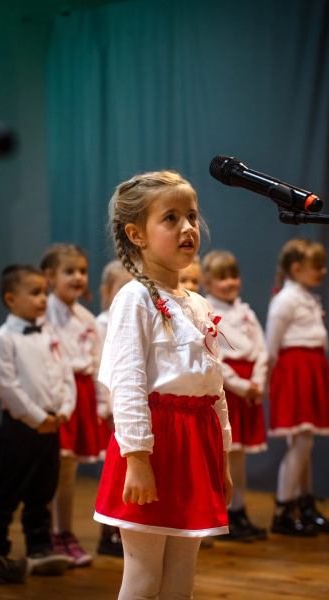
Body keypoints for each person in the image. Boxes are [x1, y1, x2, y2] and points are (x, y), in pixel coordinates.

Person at [94, 171, 232, 600]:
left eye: (191, 216)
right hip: (153, 446)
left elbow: (214, 387)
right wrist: (137, 458)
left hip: (196, 444)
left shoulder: (198, 302)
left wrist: (222, 455)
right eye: (170, 218)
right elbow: (128, 382)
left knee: (180, 577)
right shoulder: (134, 299)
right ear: (136, 234)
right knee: (143, 575)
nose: (187, 227)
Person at [0, 265, 75, 576]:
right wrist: (37, 418)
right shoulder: (3, 339)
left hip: (51, 425)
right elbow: (6, 386)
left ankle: (40, 546)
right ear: (11, 299)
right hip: (20, 429)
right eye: (35, 293)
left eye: (44, 292)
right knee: (8, 490)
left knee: (43, 489)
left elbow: (65, 374)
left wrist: (64, 408)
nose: (43, 299)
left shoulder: (49, 333)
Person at [41, 244, 112, 566]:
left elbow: (98, 365)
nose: (78, 277)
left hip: (82, 395)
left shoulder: (87, 318)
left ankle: (64, 532)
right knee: (51, 470)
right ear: (50, 276)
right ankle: (47, 535)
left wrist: (101, 403)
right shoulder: (43, 315)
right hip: (57, 397)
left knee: (68, 473)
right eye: (70, 271)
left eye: (82, 271)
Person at [266, 238, 329, 536]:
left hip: (311, 367)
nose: (323, 271)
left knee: (305, 442)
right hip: (295, 370)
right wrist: (268, 380)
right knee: (302, 441)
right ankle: (284, 506)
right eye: (316, 266)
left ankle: (303, 502)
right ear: (296, 269)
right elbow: (272, 345)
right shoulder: (286, 299)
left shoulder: (305, 296)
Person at [202, 250, 268, 542]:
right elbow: (214, 358)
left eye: (234, 276)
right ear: (207, 282)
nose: (230, 282)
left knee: (239, 459)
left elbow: (263, 350)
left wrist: (256, 382)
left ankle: (239, 511)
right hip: (228, 391)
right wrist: (240, 386)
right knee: (225, 457)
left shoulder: (248, 312)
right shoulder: (208, 314)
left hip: (249, 391)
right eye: (222, 277)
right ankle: (222, 515)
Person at [96, 260, 132, 557]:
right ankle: (109, 531)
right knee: (116, 471)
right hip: (112, 407)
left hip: (128, 405)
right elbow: (101, 368)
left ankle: (125, 526)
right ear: (105, 292)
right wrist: (106, 406)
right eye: (121, 286)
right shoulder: (101, 324)